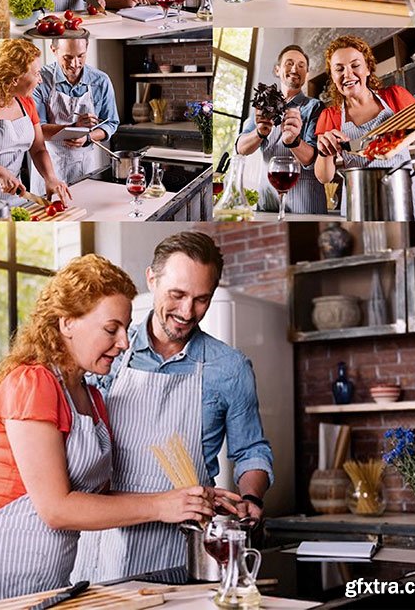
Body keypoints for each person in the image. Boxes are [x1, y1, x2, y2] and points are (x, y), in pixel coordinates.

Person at [0, 256, 217, 605]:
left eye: (126, 329)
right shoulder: (32, 382)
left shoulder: (92, 397)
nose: (125, 342)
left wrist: (187, 500)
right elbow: (57, 509)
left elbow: (97, 498)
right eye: (111, 329)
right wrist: (160, 506)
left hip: (49, 574)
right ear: (68, 323)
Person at [73, 231, 273, 582]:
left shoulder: (230, 368)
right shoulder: (110, 354)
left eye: (201, 300)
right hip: (107, 541)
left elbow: (251, 450)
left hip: (184, 548)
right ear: (152, 278)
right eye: (177, 294)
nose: (186, 312)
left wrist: (251, 498)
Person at [314, 35, 415, 220]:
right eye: (339, 69)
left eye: (355, 65)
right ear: (333, 77)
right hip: (361, 202)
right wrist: (323, 152)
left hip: (406, 197)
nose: (348, 74)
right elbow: (324, 177)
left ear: (367, 68)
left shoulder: (395, 96)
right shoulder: (330, 115)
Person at [0, 39, 70, 212]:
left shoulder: (26, 102)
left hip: (15, 201)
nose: (40, 80)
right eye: (36, 74)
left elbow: (38, 149)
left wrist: (50, 178)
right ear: (14, 79)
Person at [237, 43, 327, 215]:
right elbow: (241, 148)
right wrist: (259, 133)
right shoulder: (262, 105)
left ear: (306, 74)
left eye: (301, 66)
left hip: (305, 203)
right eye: (289, 63)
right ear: (277, 70)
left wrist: (293, 141)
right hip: (268, 200)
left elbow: (313, 159)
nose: (295, 68)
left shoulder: (315, 107)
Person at [30, 34, 119, 194]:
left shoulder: (101, 81)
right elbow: (38, 129)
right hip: (48, 165)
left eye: (81, 56)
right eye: (67, 57)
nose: (75, 64)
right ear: (54, 50)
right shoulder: (40, 79)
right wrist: (73, 127)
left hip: (85, 165)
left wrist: (87, 137)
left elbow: (111, 123)